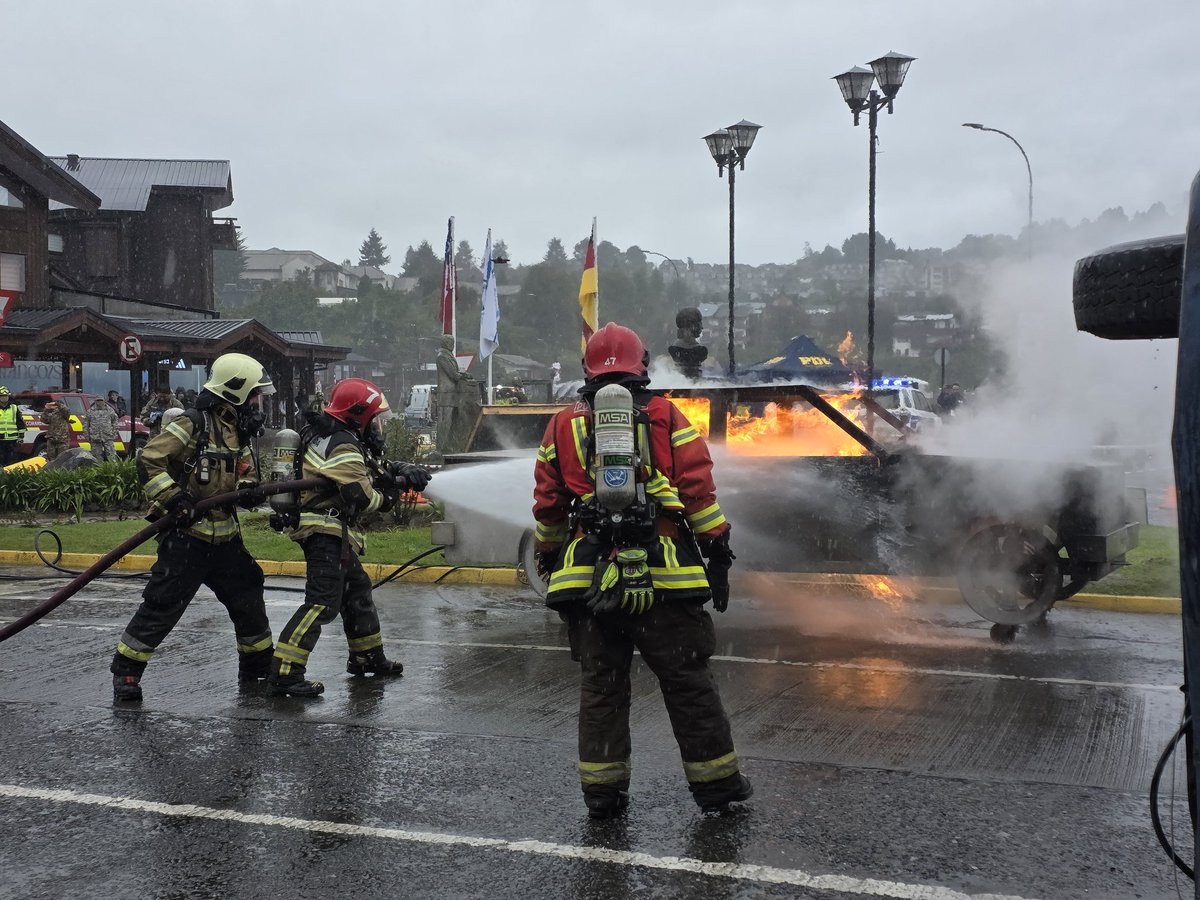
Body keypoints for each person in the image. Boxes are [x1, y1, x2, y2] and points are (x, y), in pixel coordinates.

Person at [532, 322, 751, 818]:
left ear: (587, 370)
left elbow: (548, 506)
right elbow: (697, 492)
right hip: (666, 585)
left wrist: (549, 554)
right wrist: (717, 551)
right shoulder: (667, 416)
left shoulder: (562, 425)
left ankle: (603, 795)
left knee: (602, 687)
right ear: (643, 365)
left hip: (591, 588)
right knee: (688, 683)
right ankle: (717, 788)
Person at [110, 353, 277, 702]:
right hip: (188, 538)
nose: (259, 402)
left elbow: (239, 472)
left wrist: (245, 492)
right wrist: (173, 498)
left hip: (226, 537)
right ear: (236, 392)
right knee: (162, 604)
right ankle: (126, 672)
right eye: (256, 395)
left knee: (248, 595)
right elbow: (148, 459)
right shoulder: (193, 423)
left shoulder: (237, 429)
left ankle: (257, 668)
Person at [269, 377, 432, 698]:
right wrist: (391, 495)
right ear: (359, 417)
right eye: (375, 419)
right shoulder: (342, 442)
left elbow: (369, 467)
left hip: (332, 532)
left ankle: (366, 656)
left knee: (356, 591)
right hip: (324, 532)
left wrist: (402, 469)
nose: (378, 427)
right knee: (321, 604)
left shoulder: (337, 437)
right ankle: (285, 672)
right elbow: (360, 495)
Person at [85, 396, 120, 461]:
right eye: (98, 400)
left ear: (104, 401)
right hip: (95, 437)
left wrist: (114, 433)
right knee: (96, 458)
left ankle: (113, 470)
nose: (99, 402)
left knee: (112, 456)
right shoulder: (90, 411)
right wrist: (87, 435)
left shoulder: (110, 410)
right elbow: (86, 424)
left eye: (101, 400)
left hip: (108, 437)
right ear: (95, 401)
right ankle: (99, 470)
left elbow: (115, 421)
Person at [0, 387, 26, 467]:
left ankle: (11, 478)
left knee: (12, 462)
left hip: (12, 440)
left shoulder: (14, 408)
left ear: (8, 397)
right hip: (0, 440)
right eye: (2, 396)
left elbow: (20, 424)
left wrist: (21, 437)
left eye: (6, 396)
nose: (4, 397)